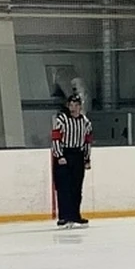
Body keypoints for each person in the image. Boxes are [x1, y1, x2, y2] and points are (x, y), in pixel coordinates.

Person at [51, 94, 92, 227]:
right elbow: (56, 139)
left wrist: (87, 158)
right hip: (64, 155)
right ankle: (64, 216)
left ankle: (75, 215)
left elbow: (87, 142)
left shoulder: (85, 122)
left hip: (78, 155)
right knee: (64, 188)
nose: (73, 108)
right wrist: (59, 156)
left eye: (76, 105)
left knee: (76, 187)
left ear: (80, 107)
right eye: (71, 105)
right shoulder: (62, 120)